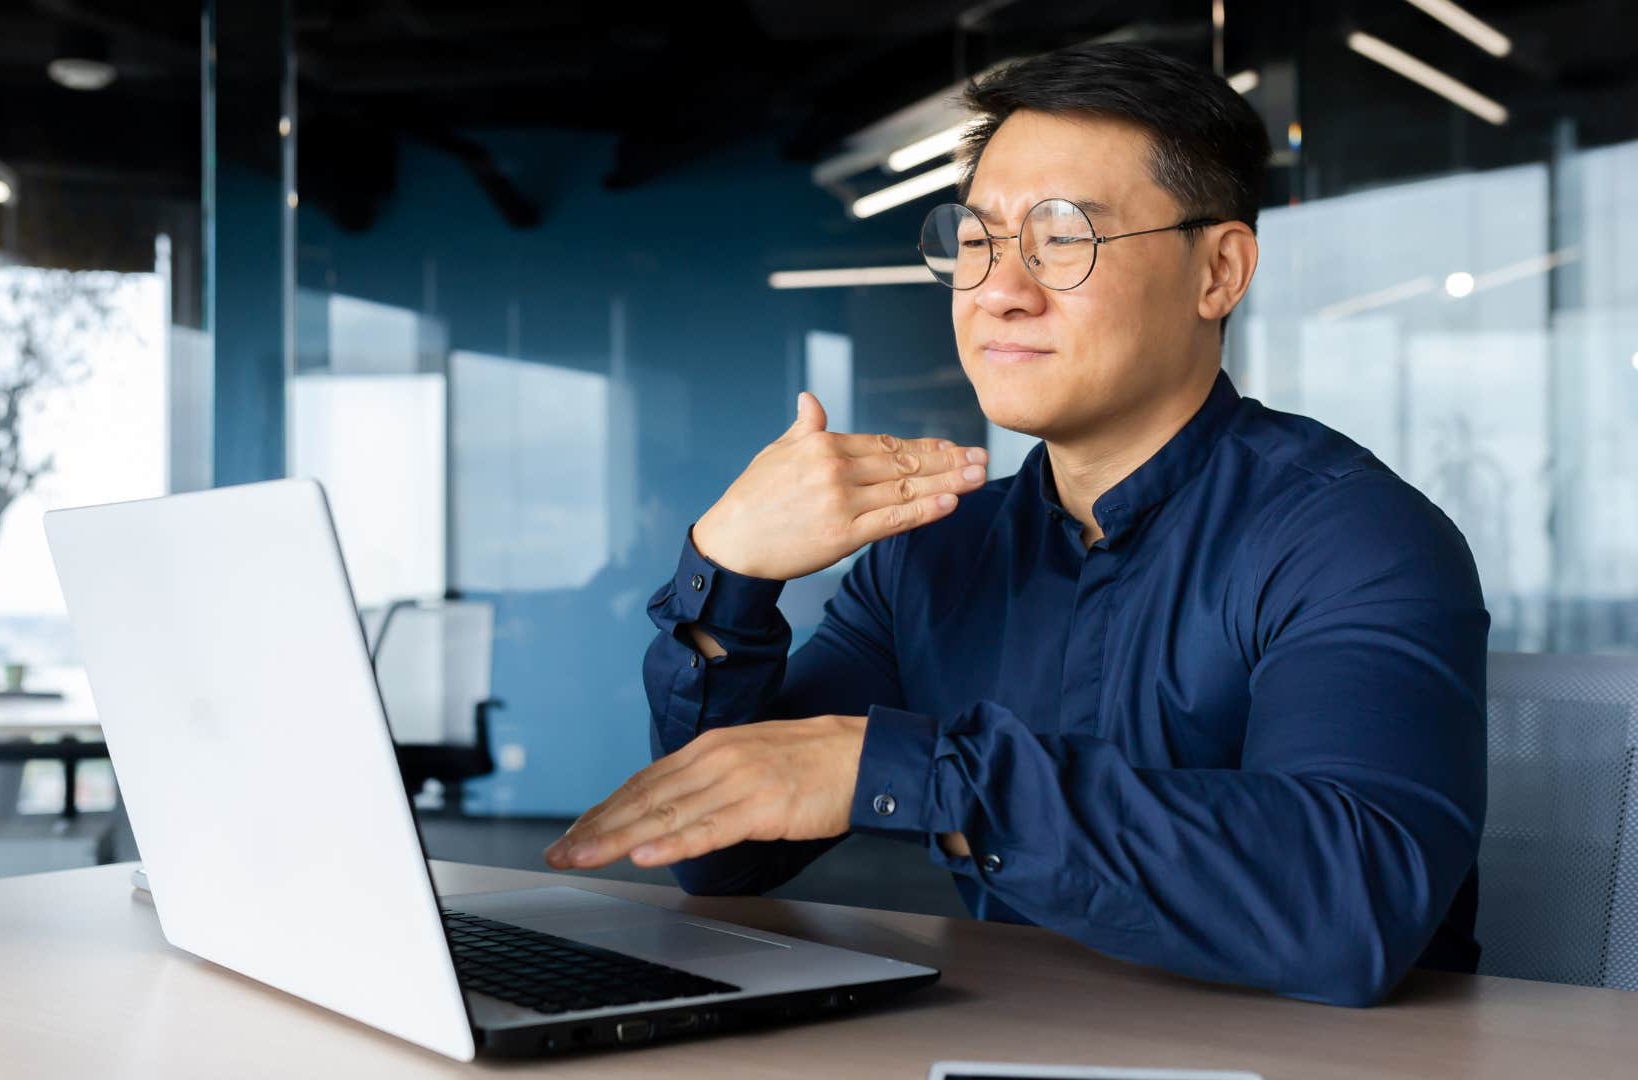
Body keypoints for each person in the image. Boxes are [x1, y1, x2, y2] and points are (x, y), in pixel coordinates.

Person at [542, 42, 1487, 1008]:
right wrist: (727, 575)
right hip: (1020, 1039)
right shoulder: (937, 550)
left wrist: (919, 774)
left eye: (1065, 236)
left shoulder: (1350, 535)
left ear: (1220, 270)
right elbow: (731, 859)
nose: (1000, 287)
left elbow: (1355, 899)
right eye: (979, 238)